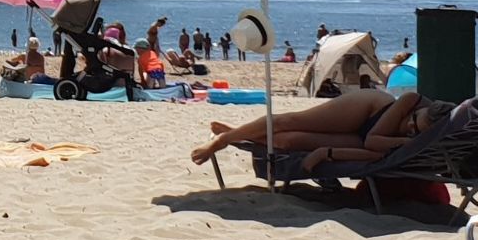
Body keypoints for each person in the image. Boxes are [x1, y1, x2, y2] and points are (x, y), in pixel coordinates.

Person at [190, 87, 444, 169]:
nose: (409, 127)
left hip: (366, 138)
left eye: (414, 131)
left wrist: (324, 153)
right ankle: (221, 140)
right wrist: (406, 140)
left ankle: (239, 131)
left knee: (290, 141)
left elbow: (374, 150)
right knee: (289, 121)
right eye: (412, 120)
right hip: (368, 110)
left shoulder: (428, 133)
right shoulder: (412, 100)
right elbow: (374, 140)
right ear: (419, 109)